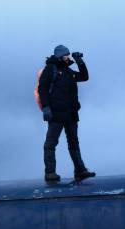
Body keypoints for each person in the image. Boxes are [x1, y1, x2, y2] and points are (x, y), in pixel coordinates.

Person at [38, 45, 96, 182]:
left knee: (74, 143)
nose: (68, 57)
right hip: (56, 114)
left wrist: (80, 61)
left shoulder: (67, 70)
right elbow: (42, 89)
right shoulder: (50, 70)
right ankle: (50, 173)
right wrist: (46, 108)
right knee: (51, 143)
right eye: (66, 55)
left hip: (71, 114)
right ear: (59, 56)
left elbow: (84, 77)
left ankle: (80, 170)